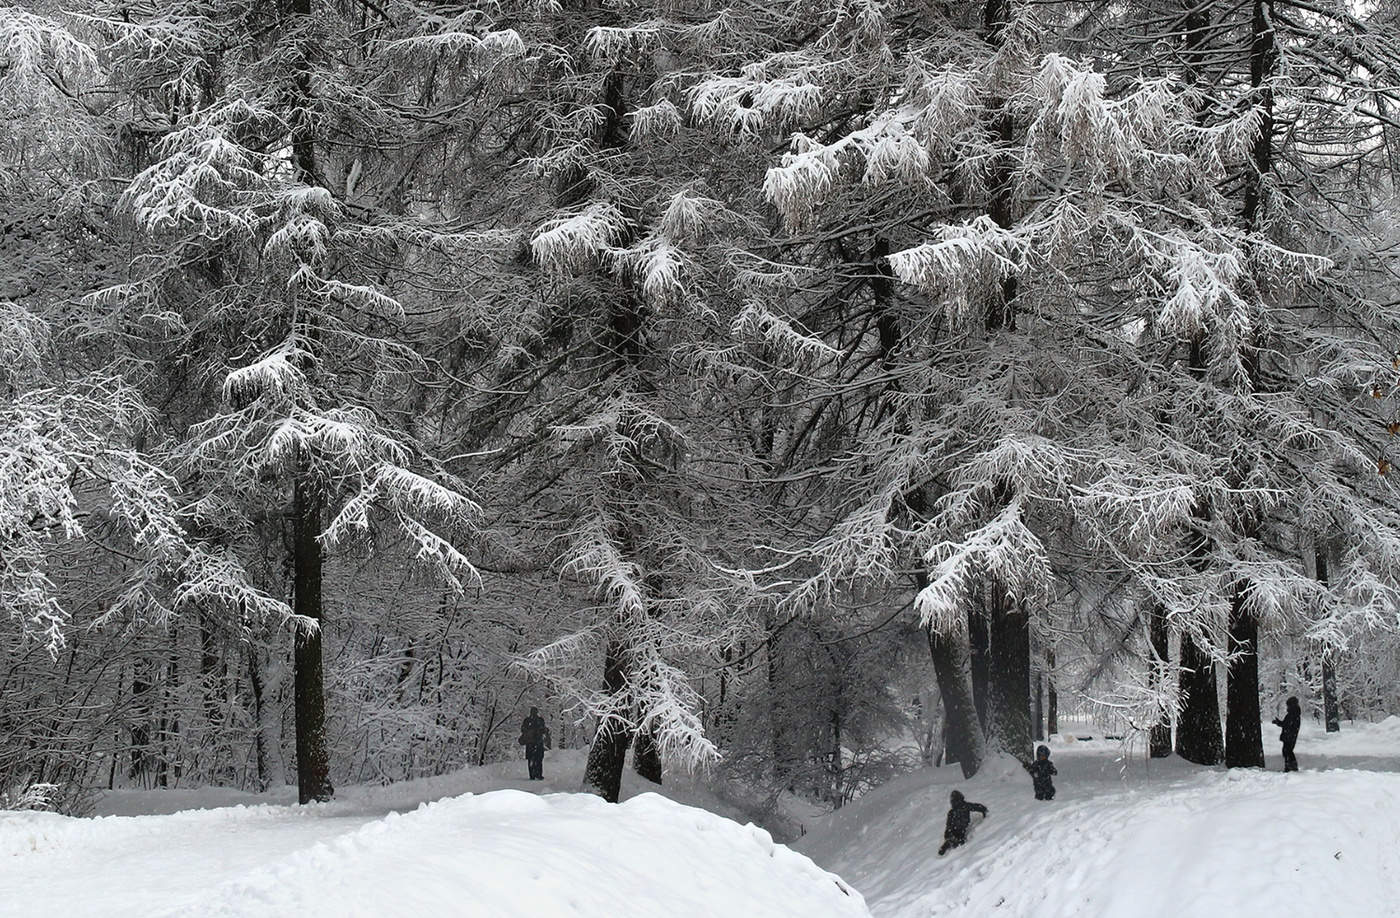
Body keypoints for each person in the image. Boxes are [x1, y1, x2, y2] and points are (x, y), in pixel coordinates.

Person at [937, 790, 988, 855]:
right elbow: (948, 824)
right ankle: (950, 843)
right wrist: (983, 810)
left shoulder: (963, 807)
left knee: (958, 838)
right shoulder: (955, 811)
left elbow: (976, 806)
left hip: (959, 829)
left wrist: (983, 810)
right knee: (956, 837)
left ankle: (951, 843)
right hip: (957, 829)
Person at [519, 707, 551, 780]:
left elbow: (523, 730)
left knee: (531, 759)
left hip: (529, 744)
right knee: (539, 759)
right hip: (538, 743)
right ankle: (538, 774)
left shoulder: (527, 720)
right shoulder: (540, 720)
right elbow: (543, 730)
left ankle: (532, 775)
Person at [1272, 696, 1301, 773]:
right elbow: (1286, 724)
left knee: (1287, 751)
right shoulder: (1294, 714)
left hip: (1289, 736)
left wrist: (1279, 723)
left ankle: (1290, 767)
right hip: (1290, 736)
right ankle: (1291, 766)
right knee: (1287, 751)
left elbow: (1286, 724)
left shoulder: (1292, 715)